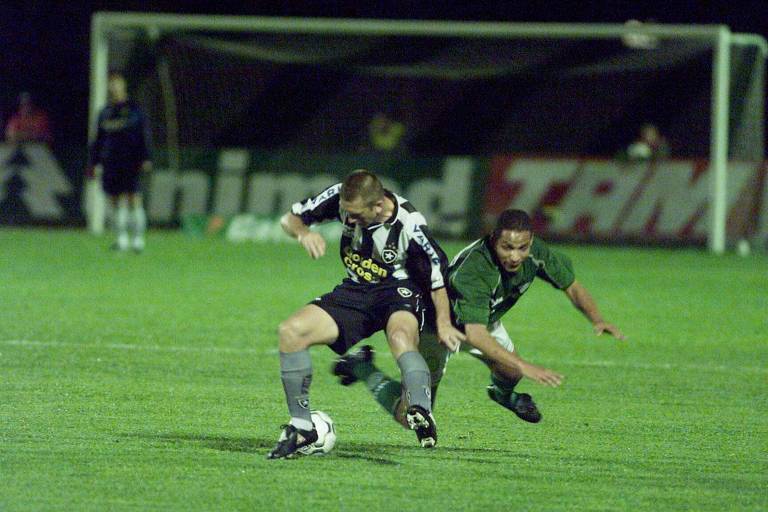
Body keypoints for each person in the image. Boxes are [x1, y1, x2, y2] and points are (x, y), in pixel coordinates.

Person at [333, 209, 625, 428]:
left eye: (522, 247)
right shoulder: (474, 271)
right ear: (493, 238)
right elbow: (474, 335)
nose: (515, 256)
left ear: (531, 241)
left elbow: (571, 285)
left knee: (510, 372)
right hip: (438, 328)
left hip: (481, 320)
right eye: (507, 247)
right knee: (413, 417)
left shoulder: (536, 253)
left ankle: (504, 396)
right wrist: (524, 363)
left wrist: (597, 319)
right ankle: (362, 367)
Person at [267, 169, 466, 459]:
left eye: (357, 216)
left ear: (378, 205)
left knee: (401, 337)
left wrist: (445, 324)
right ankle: (302, 428)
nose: (349, 221)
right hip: (356, 291)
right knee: (291, 332)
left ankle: (420, 409)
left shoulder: (410, 225)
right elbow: (290, 218)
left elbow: (437, 277)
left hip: (399, 290)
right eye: (347, 214)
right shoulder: (342, 198)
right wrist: (304, 233)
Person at [87, 71, 152, 252]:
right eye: (111, 84)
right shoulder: (105, 113)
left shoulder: (135, 110)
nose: (113, 87)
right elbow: (98, 140)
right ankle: (121, 239)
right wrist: (93, 163)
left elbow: (144, 135)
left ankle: (138, 240)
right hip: (110, 162)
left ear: (123, 86)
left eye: (116, 83)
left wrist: (146, 157)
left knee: (134, 200)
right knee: (114, 201)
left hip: (131, 162)